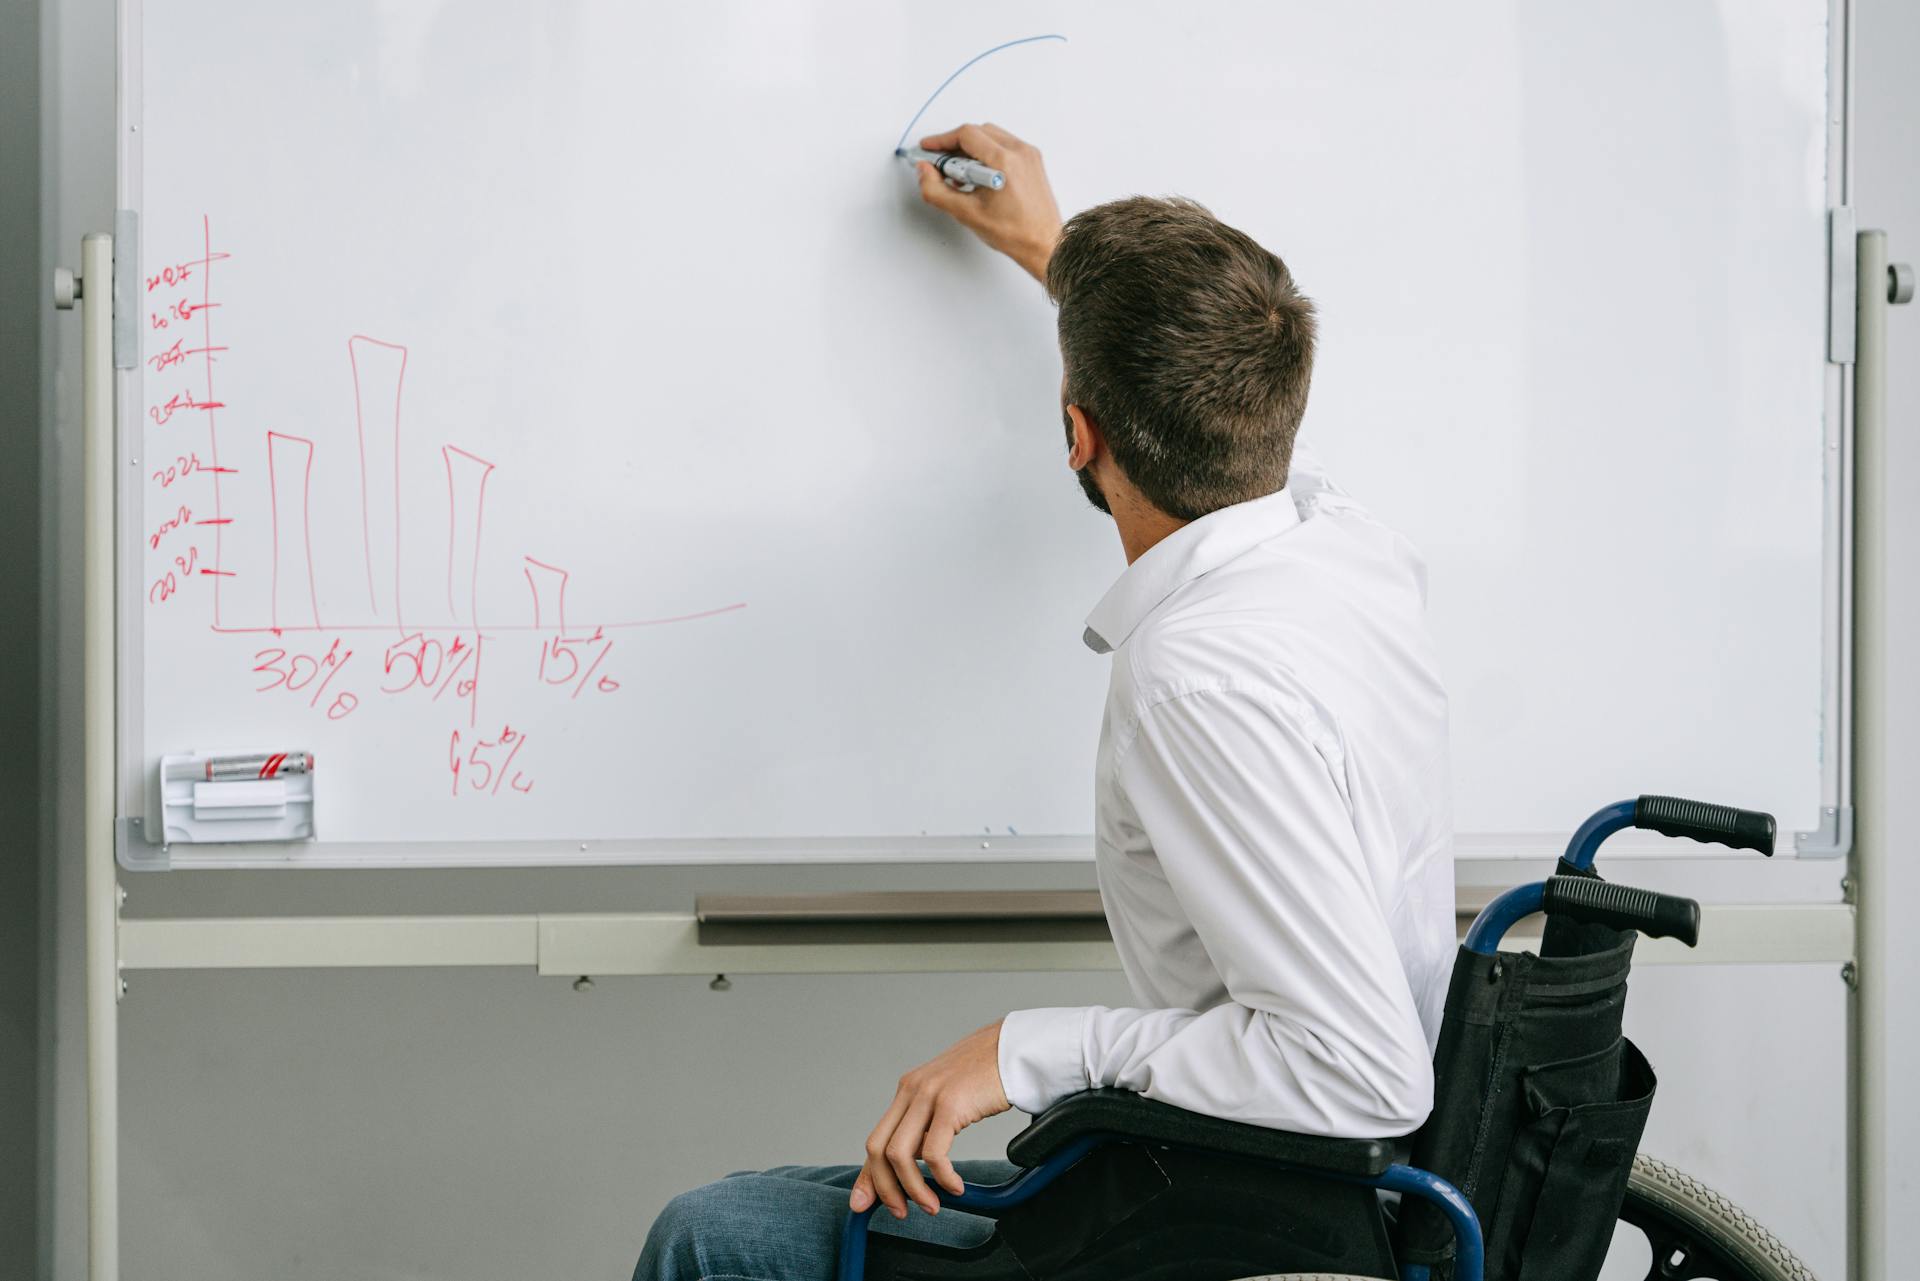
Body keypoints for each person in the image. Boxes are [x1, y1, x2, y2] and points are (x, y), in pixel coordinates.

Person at [634, 123, 1455, 1281]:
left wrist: (1023, 1052)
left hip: (1252, 1208)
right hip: (1284, 1174)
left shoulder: (1202, 679)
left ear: (1078, 434)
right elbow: (1197, 366)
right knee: (749, 1206)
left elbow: (1358, 1068)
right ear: (1275, 402)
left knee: (712, 1240)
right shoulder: (1346, 547)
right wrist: (1056, 251)